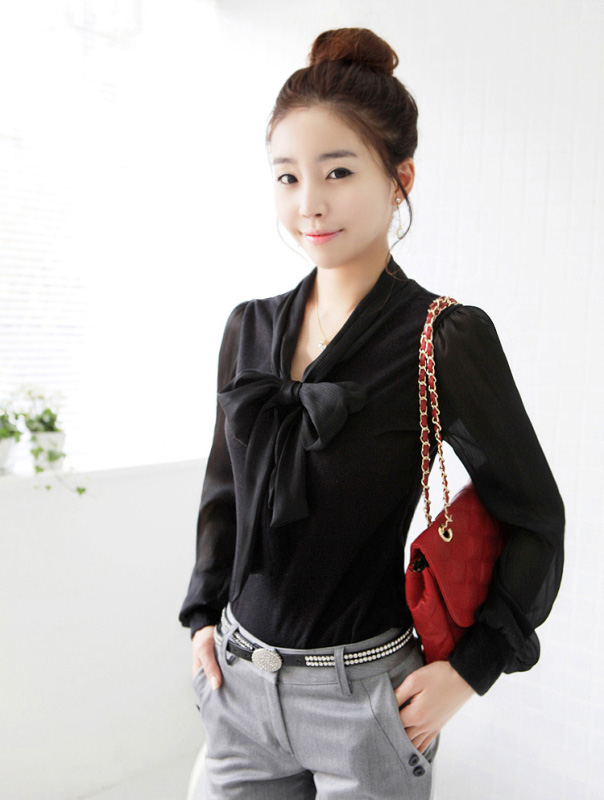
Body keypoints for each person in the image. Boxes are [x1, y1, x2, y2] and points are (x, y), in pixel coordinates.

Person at [178, 27, 565, 800]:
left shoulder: (444, 339)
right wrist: (201, 616)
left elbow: (535, 518)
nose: (309, 203)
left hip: (366, 703)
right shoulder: (247, 327)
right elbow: (226, 491)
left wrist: (472, 670)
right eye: (287, 177)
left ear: (399, 179)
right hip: (237, 688)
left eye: (338, 171)